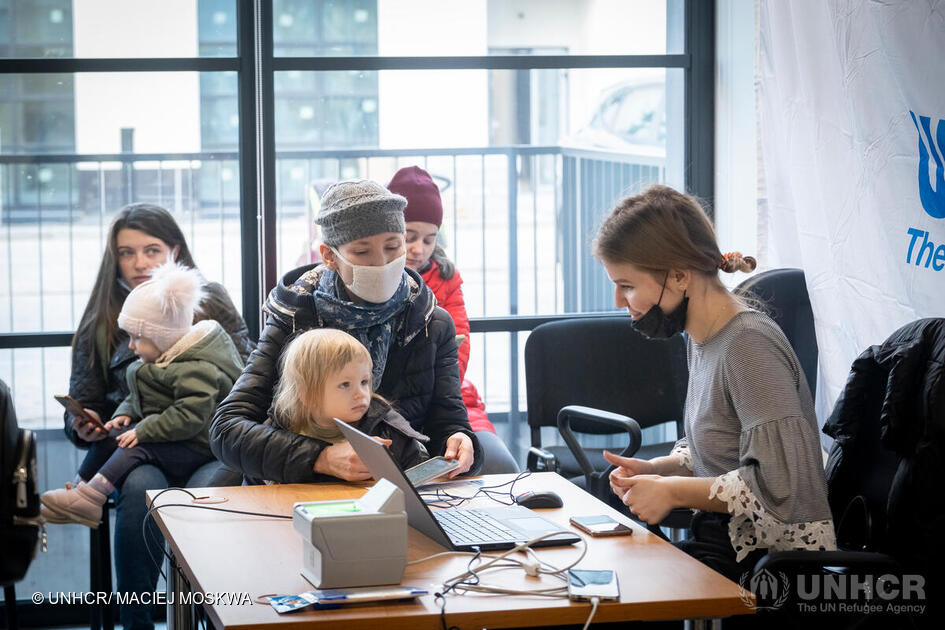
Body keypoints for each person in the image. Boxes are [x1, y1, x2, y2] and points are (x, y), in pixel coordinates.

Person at [593, 185, 835, 582]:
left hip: (763, 569)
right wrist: (657, 469)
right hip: (723, 546)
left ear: (679, 276)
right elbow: (724, 451)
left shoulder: (747, 345)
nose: (619, 301)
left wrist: (671, 492)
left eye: (628, 285)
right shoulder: (703, 337)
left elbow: (780, 485)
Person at [211, 179, 482, 483]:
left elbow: (448, 422)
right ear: (329, 256)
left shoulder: (431, 322)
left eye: (393, 247)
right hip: (302, 490)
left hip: (392, 490)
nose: (381, 263)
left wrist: (461, 442)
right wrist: (320, 458)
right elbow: (227, 429)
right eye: (362, 251)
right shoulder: (294, 317)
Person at [64, 202, 253, 630]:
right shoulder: (103, 317)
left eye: (151, 250)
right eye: (126, 253)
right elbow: (85, 397)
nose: (139, 263)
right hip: (140, 447)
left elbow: (247, 380)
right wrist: (86, 424)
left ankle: (212, 616)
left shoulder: (209, 301)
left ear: (174, 251)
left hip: (207, 443)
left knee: (206, 495)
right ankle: (137, 622)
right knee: (140, 489)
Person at [44, 263, 243, 527]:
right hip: (177, 437)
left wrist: (142, 430)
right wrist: (124, 414)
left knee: (134, 447)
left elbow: (189, 417)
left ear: (163, 337)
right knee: (111, 435)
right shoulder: (166, 357)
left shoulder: (198, 369)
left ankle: (92, 498)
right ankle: (78, 488)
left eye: (137, 338)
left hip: (198, 445)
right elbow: (143, 394)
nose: (131, 345)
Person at [387, 165, 519, 473]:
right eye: (409, 237)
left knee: (498, 465)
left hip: (448, 399)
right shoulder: (376, 281)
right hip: (391, 407)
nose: (419, 249)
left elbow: (458, 352)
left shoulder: (446, 279)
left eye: (429, 240)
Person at [266, 328, 429, 482]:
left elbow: (420, 477)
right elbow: (259, 480)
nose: (361, 394)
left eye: (364, 382)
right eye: (345, 384)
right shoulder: (283, 427)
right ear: (307, 395)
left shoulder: (388, 431)